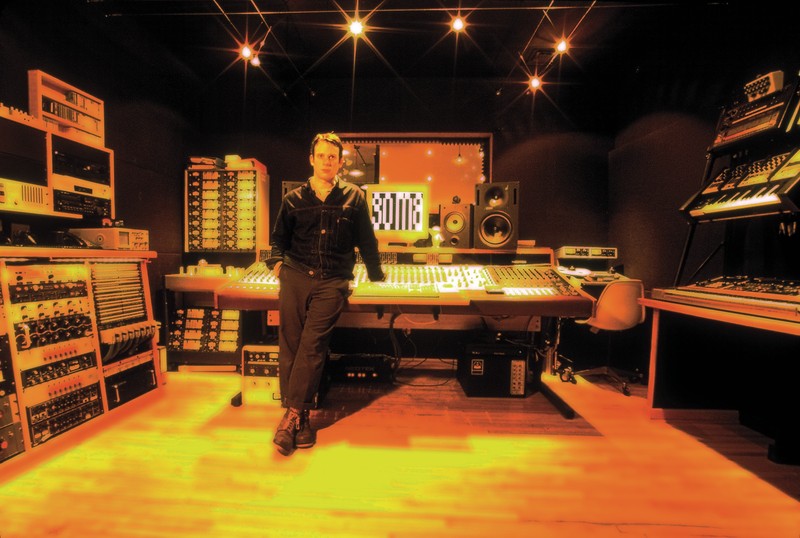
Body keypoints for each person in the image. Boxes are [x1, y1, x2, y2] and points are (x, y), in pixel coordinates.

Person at [266, 132, 385, 456]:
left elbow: (367, 241)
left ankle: (290, 417)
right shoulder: (293, 199)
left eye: (332, 157)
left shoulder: (354, 197)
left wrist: (377, 275)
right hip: (295, 275)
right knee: (290, 344)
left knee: (312, 345)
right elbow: (277, 241)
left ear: (340, 162)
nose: (326, 161)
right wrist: (278, 266)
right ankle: (301, 419)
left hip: (333, 280)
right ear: (312, 159)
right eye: (321, 155)